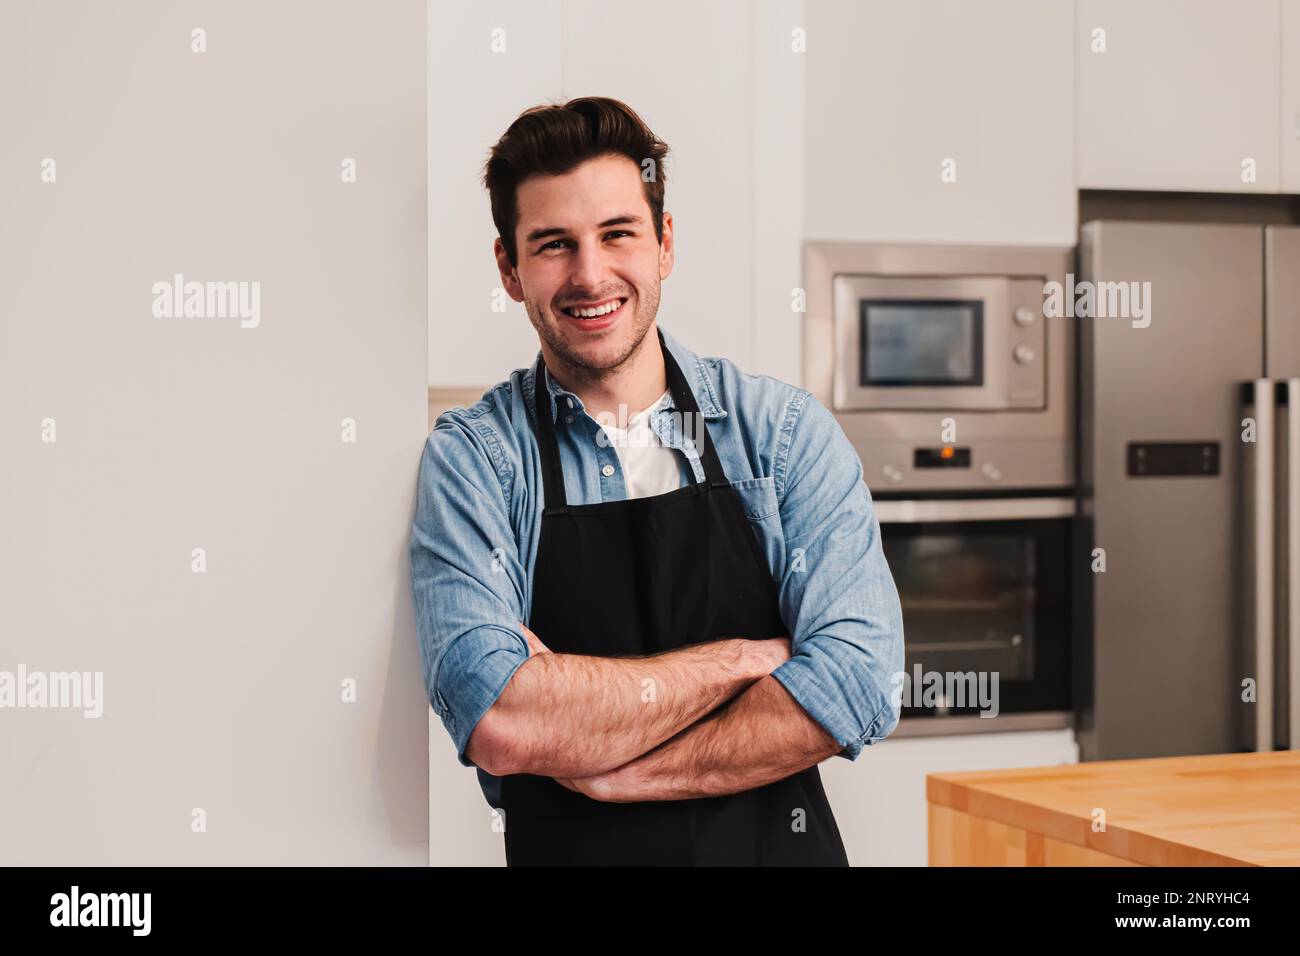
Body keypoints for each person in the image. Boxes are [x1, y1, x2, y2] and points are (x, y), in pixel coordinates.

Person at [410, 96, 904, 866]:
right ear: (508, 268)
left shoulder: (779, 435)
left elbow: (856, 683)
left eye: (617, 234)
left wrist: (623, 769)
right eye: (552, 245)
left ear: (664, 242)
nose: (590, 274)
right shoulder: (477, 461)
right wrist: (741, 662)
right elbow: (503, 719)